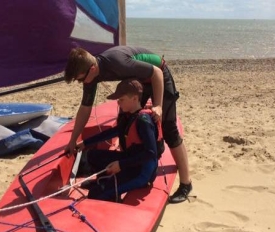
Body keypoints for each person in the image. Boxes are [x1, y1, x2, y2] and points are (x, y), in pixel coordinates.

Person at [64, 46, 192, 203]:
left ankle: (186, 184)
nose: (80, 82)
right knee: (125, 122)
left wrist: (158, 106)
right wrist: (73, 140)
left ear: (92, 69)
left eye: (80, 79)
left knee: (168, 128)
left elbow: (156, 73)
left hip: (158, 76)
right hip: (138, 83)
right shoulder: (90, 76)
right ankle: (127, 166)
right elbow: (85, 109)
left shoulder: (116, 62)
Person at [76, 79, 162, 201]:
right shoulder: (129, 116)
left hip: (142, 172)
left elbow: (151, 153)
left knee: (95, 194)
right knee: (93, 155)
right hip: (129, 161)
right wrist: (85, 143)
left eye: (121, 99)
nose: (118, 103)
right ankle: (103, 182)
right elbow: (111, 132)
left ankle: (110, 193)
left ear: (135, 99)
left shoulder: (143, 121)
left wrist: (121, 165)